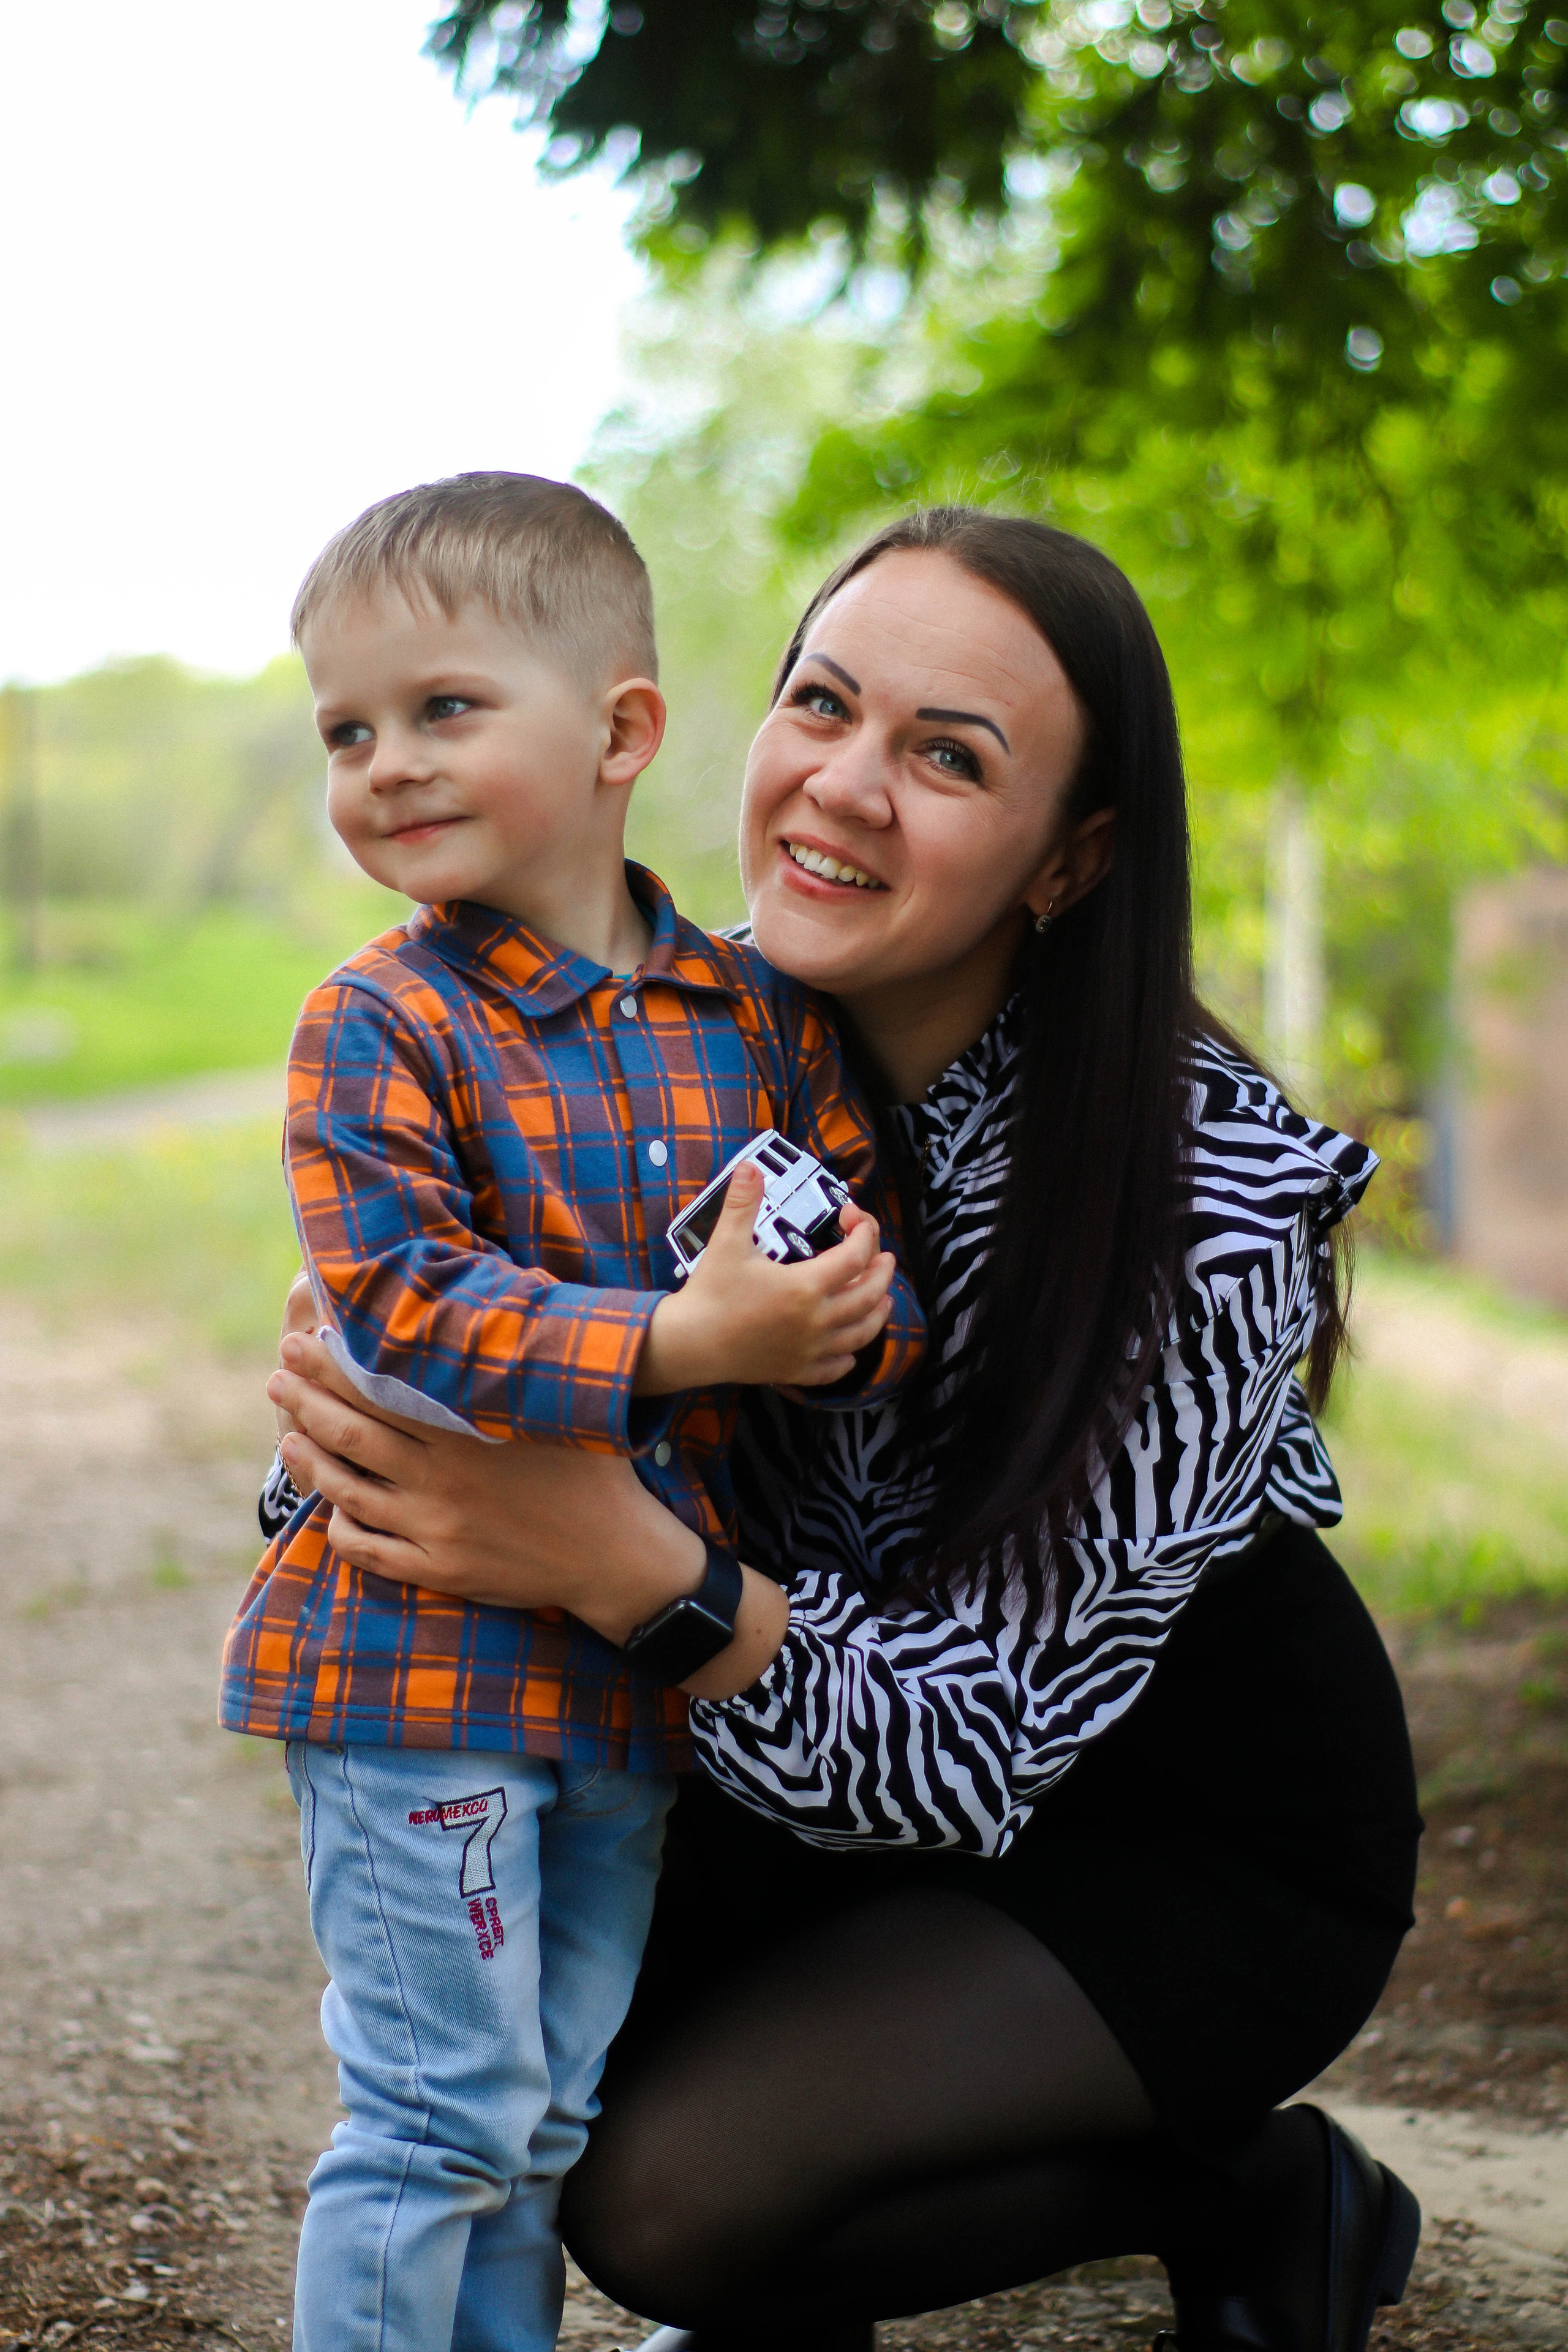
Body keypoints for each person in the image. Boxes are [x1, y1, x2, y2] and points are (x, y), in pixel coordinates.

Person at [265, 508, 1425, 2352]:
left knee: (668, 2203)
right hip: (773, 1730)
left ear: (1072, 857)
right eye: (823, 704)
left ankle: (1252, 2190)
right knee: (516, 2071)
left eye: (949, 758)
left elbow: (971, 1754)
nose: (847, 787)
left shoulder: (1204, 1196)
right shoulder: (655, 1021)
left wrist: (621, 1563)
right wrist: (389, 1454)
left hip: (1152, 1816)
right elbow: (432, 1343)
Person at [225, 471, 924, 2352]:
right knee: (437, 2115)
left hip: (626, 1685)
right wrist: (687, 1342)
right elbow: (406, 1307)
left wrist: (841, 1325)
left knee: (540, 2128)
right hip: (419, 1669)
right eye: (346, 732)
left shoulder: (759, 1022)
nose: (385, 764)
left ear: (621, 734)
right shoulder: (378, 1024)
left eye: (443, 708)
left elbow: (857, 1270)